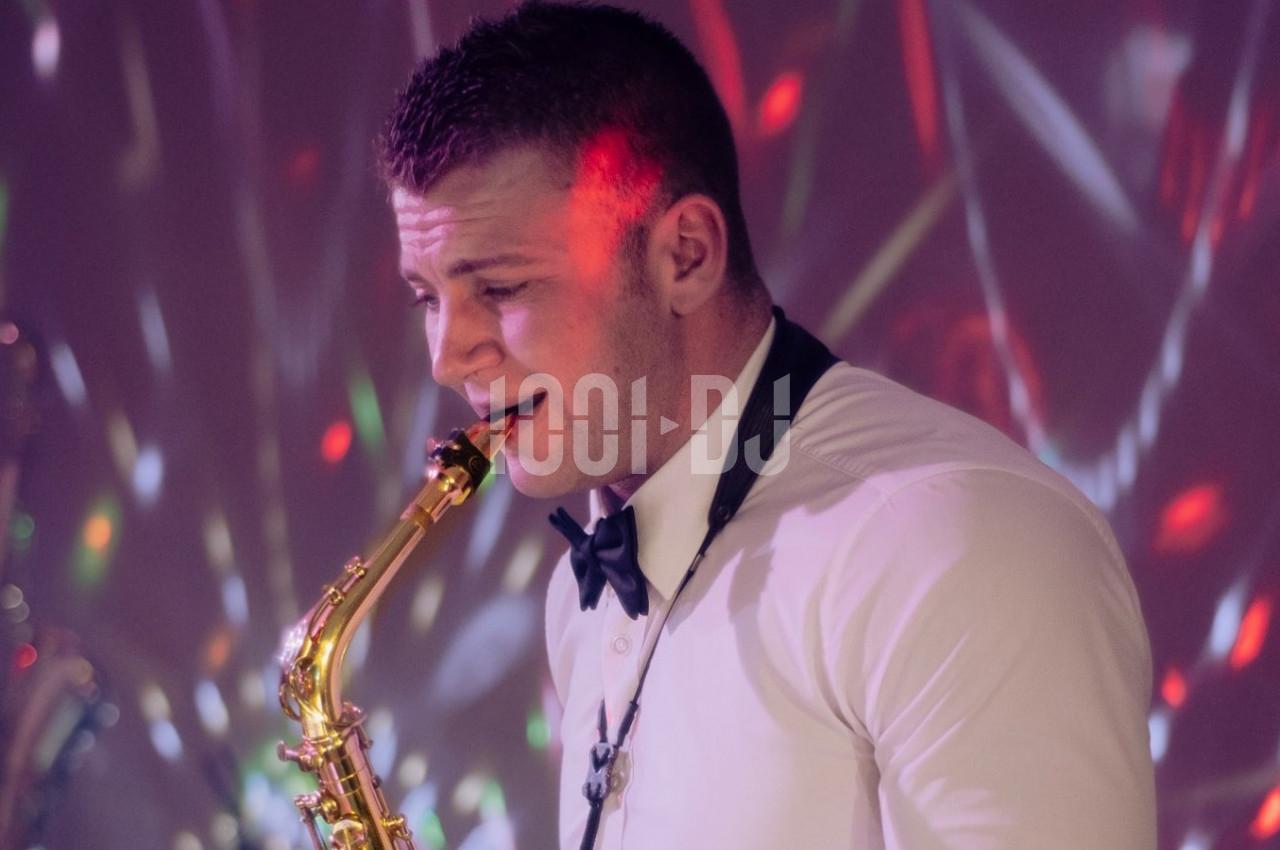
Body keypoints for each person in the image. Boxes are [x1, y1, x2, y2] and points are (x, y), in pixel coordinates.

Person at [377, 2, 1157, 848]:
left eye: (500, 288)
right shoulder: (581, 591)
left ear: (687, 255)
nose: (447, 359)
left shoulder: (957, 540)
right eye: (427, 297)